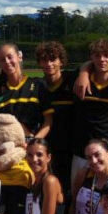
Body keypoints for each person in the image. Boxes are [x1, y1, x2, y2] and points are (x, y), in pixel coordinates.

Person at [71, 39, 108, 180]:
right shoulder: (79, 81)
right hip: (83, 153)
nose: (102, 59)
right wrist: (83, 72)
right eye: (97, 55)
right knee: (80, 198)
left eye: (107, 55)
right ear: (91, 57)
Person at [36, 40, 77, 188]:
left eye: (53, 59)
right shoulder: (38, 86)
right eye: (44, 60)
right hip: (47, 148)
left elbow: (89, 66)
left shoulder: (72, 80)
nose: (49, 64)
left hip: (70, 148)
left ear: (61, 61)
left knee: (67, 189)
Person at [0, 43, 53, 141]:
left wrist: (34, 142)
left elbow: (48, 121)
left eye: (10, 57)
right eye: (2, 60)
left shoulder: (38, 84)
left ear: (19, 57)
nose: (7, 62)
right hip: (8, 146)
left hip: (33, 146)